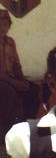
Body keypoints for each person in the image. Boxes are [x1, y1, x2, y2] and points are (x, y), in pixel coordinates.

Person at [0, 9, 40, 142]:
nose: (2, 27)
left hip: (10, 78)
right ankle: (4, 135)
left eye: (6, 24)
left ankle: (25, 129)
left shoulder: (10, 42)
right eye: (0, 23)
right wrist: (15, 83)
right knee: (9, 93)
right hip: (2, 80)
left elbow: (16, 65)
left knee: (35, 89)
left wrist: (22, 80)